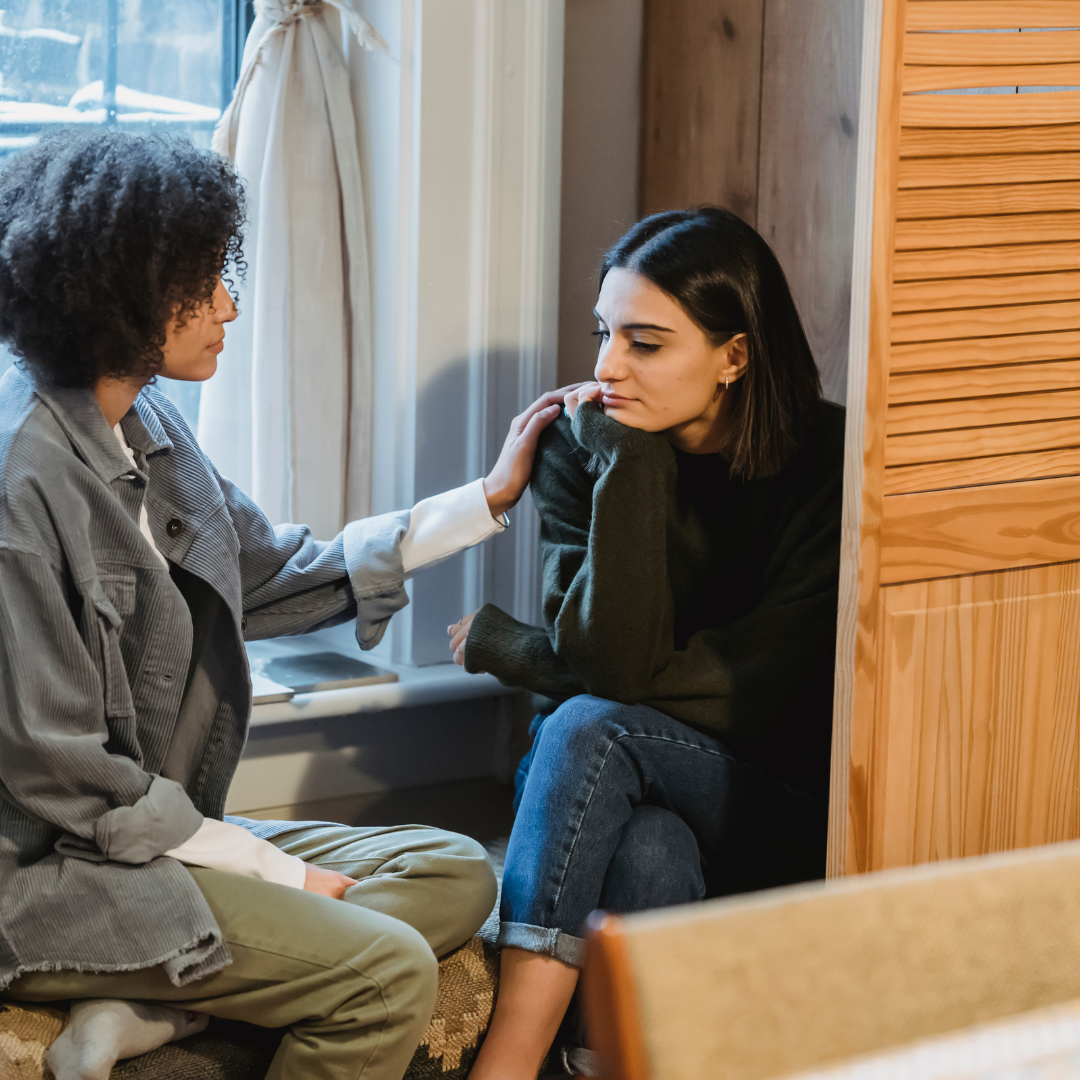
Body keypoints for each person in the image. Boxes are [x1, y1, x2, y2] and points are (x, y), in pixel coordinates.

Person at [0, 128, 575, 1080]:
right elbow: (64, 779)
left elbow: (273, 573)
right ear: (117, 297)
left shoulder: (151, 423)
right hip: (51, 874)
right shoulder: (22, 491)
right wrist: (273, 870)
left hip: (149, 837)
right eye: (199, 283)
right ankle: (148, 981)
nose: (228, 303)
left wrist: (485, 501)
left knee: (459, 871)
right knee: (386, 972)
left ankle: (149, 1001)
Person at [449, 207, 845, 1078]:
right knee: (648, 843)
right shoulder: (583, 447)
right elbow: (606, 662)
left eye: (645, 343)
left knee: (594, 722)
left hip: (765, 794)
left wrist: (513, 648)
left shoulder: (831, 461)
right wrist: (630, 465)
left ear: (734, 356)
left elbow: (754, 689)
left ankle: (509, 1058)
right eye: (603, 334)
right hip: (598, 782)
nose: (604, 368)